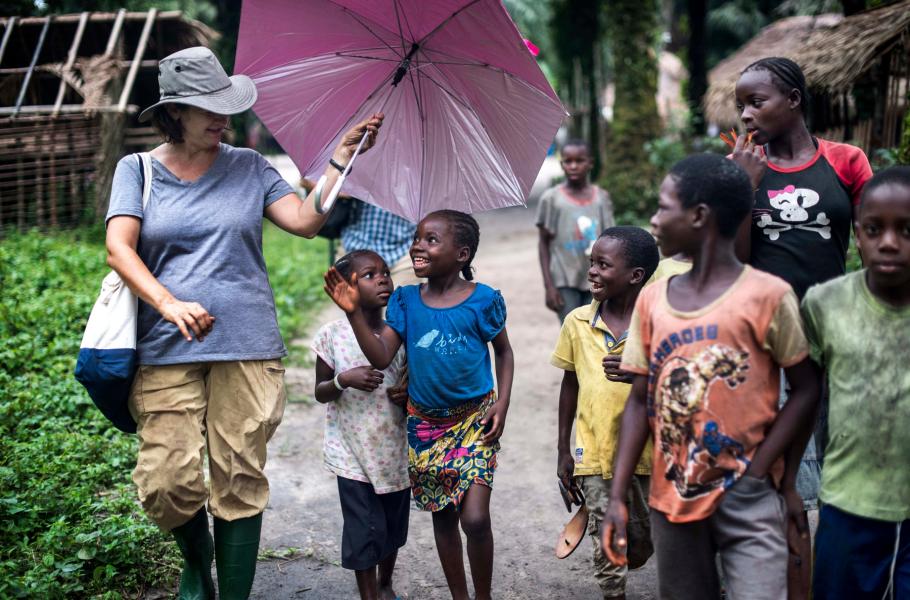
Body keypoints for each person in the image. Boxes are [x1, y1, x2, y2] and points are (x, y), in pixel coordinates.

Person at [105, 46, 383, 599]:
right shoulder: (137, 170)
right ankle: (196, 561)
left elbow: (303, 221)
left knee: (239, 477)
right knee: (166, 481)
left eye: (225, 107)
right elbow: (119, 248)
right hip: (166, 346)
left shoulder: (250, 166)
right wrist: (168, 303)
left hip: (247, 344)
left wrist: (339, 160)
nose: (222, 118)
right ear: (174, 111)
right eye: (208, 108)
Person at [601, 154, 820, 600]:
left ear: (699, 216)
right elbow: (640, 400)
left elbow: (806, 388)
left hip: (750, 497)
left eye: (664, 207)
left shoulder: (767, 295)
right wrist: (618, 496)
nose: (654, 220)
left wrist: (765, 471)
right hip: (673, 499)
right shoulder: (653, 300)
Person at [323, 210, 514, 600]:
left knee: (475, 519)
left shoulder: (483, 300)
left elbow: (504, 353)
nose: (417, 247)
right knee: (443, 517)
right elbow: (380, 356)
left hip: (474, 420)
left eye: (431, 240)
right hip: (425, 427)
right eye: (417, 238)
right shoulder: (406, 301)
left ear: (462, 254)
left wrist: (503, 402)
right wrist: (353, 312)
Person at [730, 56, 873, 512]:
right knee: (786, 463)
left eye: (756, 102)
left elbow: (874, 240)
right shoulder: (737, 169)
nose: (746, 115)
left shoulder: (846, 161)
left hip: (835, 327)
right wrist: (743, 187)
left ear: (793, 100)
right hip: (767, 335)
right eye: (741, 106)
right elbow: (734, 262)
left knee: (838, 447)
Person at [802, 167, 910, 599]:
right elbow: (806, 395)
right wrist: (784, 480)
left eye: (906, 230)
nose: (889, 242)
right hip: (848, 502)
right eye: (874, 229)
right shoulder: (825, 304)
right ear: (857, 235)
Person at [552, 226, 660, 599]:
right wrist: (563, 450)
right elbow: (570, 384)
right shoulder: (577, 322)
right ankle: (614, 593)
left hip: (648, 454)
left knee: (641, 542)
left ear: (635, 275)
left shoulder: (657, 323)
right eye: (592, 263)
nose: (592, 272)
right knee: (608, 539)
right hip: (594, 453)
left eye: (603, 265)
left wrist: (640, 373)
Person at [312, 250, 409, 600]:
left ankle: (385, 584)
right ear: (345, 289)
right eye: (369, 275)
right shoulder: (332, 336)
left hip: (394, 451)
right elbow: (320, 391)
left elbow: (411, 378)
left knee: (392, 527)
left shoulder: (399, 333)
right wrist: (344, 380)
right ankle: (370, 594)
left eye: (385, 272)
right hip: (351, 452)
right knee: (364, 530)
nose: (382, 279)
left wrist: (407, 393)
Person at [538, 139, 615, 322]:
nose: (573, 166)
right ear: (561, 164)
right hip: (564, 279)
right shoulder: (551, 199)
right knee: (571, 330)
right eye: (568, 161)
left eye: (579, 161)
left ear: (590, 163)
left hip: (598, 278)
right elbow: (543, 243)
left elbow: (612, 241)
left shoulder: (601, 198)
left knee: (595, 329)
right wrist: (549, 286)